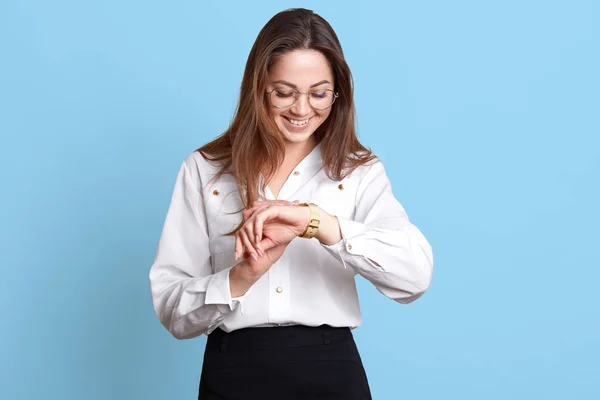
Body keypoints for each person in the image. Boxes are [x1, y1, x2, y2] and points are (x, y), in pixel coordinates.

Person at [149, 7, 433, 400]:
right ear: (258, 87)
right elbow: (172, 309)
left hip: (331, 371)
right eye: (284, 93)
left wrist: (317, 224)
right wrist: (243, 276)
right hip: (233, 371)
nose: (302, 110)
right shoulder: (206, 170)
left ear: (338, 94)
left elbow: (414, 277)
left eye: (319, 94)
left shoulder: (358, 171)